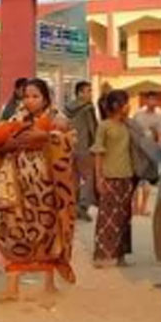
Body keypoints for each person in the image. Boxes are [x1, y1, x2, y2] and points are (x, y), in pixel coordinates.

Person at [0, 78, 77, 301]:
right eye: (27, 96)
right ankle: (12, 287)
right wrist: (8, 146)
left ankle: (49, 284)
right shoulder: (15, 119)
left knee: (48, 233)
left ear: (45, 98)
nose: (30, 100)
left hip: (47, 187)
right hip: (17, 187)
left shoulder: (58, 119)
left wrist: (46, 137)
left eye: (35, 96)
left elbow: (69, 145)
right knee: (14, 231)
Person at [91, 90, 135, 268]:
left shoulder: (128, 125)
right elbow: (98, 153)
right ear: (117, 105)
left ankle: (120, 255)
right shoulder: (104, 126)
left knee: (124, 218)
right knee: (107, 218)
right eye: (126, 103)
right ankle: (102, 256)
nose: (128, 106)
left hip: (127, 176)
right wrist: (98, 178)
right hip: (109, 176)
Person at [66, 81, 99, 222]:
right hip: (84, 147)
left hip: (70, 146)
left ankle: (72, 205)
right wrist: (96, 145)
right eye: (88, 91)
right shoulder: (88, 108)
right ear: (80, 93)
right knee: (89, 177)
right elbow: (93, 128)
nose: (91, 94)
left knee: (73, 178)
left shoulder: (67, 108)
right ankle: (83, 206)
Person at [132, 92, 161, 216]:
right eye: (150, 99)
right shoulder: (138, 114)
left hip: (151, 150)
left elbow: (160, 134)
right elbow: (133, 130)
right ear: (146, 101)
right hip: (138, 149)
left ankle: (143, 207)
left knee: (148, 179)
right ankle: (135, 207)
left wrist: (158, 150)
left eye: (155, 100)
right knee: (136, 178)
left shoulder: (158, 116)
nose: (152, 102)